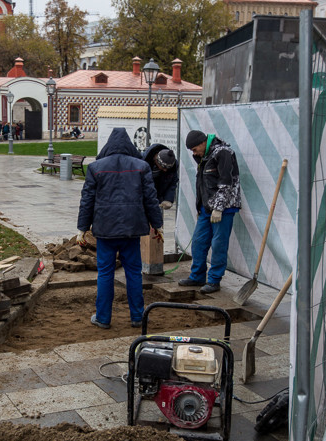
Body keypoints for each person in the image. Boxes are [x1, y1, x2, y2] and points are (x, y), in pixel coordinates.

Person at [77, 128, 163, 329]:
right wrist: (157, 225)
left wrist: (82, 228)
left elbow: (87, 200)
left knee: (105, 273)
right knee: (133, 272)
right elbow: (151, 198)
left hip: (105, 230)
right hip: (132, 229)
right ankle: (137, 317)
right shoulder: (141, 166)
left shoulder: (96, 167)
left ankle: (103, 317)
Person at [178, 130, 241, 294]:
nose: (194, 152)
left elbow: (226, 182)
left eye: (194, 149)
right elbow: (202, 184)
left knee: (219, 244)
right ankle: (197, 276)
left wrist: (219, 208)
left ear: (201, 143)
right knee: (199, 241)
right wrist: (201, 207)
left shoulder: (223, 153)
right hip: (207, 209)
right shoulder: (204, 157)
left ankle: (214, 281)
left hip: (224, 209)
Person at [142, 144, 178, 210]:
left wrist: (168, 199)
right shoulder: (142, 162)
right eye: (164, 167)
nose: (165, 170)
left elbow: (172, 183)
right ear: (157, 161)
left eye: (167, 168)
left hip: (158, 198)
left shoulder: (173, 165)